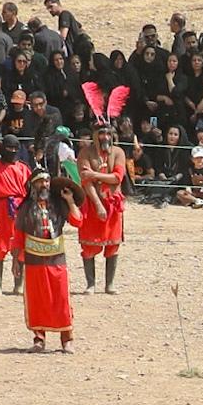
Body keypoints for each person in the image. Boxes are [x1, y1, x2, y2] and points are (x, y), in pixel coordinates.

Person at [19, 176, 74, 351]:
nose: (44, 185)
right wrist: (16, 260)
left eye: (47, 181)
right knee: (37, 299)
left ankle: (67, 339)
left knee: (61, 298)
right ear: (33, 185)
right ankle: (39, 338)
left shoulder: (58, 204)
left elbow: (78, 220)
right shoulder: (26, 207)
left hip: (56, 257)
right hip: (33, 258)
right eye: (40, 181)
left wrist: (70, 201)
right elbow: (18, 233)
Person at [75, 122, 129, 292]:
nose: (105, 137)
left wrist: (95, 174)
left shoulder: (118, 152)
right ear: (95, 135)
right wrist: (98, 205)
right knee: (89, 245)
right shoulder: (85, 153)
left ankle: (109, 284)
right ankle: (90, 284)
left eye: (108, 133)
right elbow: (86, 180)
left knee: (113, 244)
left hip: (113, 203)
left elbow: (117, 177)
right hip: (92, 203)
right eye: (101, 133)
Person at [0, 141, 31, 294]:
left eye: (15, 148)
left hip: (20, 210)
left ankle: (18, 285)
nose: (12, 151)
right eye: (9, 148)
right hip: (1, 210)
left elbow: (30, 195)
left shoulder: (24, 169)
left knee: (21, 245)